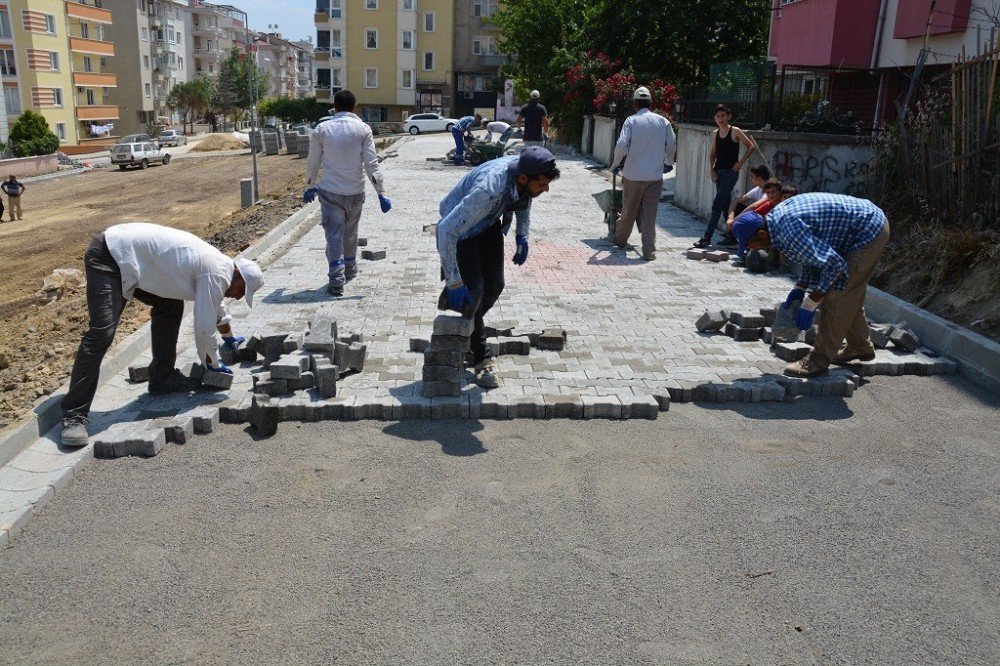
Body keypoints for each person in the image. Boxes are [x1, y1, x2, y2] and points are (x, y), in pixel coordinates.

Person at [59, 222, 264, 447]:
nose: (237, 297)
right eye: (242, 292)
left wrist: (229, 338)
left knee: (170, 305)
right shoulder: (216, 271)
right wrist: (212, 366)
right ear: (238, 276)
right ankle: (74, 415)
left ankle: (163, 377)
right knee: (102, 332)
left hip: (135, 260)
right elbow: (204, 329)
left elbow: (216, 307)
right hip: (110, 256)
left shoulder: (220, 267)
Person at [437, 146, 559, 388]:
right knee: (476, 290)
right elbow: (445, 230)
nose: (546, 188)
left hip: (488, 220)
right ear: (523, 178)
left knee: (494, 285)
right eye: (543, 184)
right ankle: (480, 357)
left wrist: (521, 235)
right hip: (461, 226)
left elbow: (525, 200)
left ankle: (468, 321)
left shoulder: (525, 170)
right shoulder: (488, 191)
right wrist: (453, 281)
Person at [732, 193, 890, 378]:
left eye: (751, 245)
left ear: (761, 233)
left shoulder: (789, 232)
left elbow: (835, 265)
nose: (753, 249)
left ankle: (818, 361)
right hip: (858, 225)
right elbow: (812, 256)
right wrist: (800, 287)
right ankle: (860, 347)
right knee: (848, 295)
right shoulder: (776, 224)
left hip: (868, 231)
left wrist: (811, 302)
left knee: (836, 297)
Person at [304, 89, 390, 296]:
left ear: (334, 107)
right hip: (355, 192)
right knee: (350, 233)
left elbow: (313, 162)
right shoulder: (363, 130)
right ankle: (350, 269)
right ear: (354, 107)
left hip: (330, 192)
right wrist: (381, 192)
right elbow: (371, 164)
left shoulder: (322, 129)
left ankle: (336, 281)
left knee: (334, 236)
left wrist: (309, 186)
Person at [609, 86, 677, 261]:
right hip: (654, 177)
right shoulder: (663, 121)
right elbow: (671, 144)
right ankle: (649, 251)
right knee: (649, 215)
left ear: (634, 104)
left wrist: (616, 164)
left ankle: (620, 240)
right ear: (650, 103)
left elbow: (622, 145)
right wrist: (668, 163)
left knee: (628, 211)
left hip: (632, 175)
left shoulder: (631, 121)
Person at [694, 105, 759, 248]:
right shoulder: (715, 133)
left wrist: (740, 163)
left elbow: (751, 146)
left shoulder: (735, 131)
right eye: (718, 116)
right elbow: (712, 154)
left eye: (723, 116)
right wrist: (711, 171)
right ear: (714, 118)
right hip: (719, 173)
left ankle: (707, 237)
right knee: (724, 206)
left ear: (728, 116)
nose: (720, 119)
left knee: (717, 204)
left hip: (731, 173)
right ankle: (732, 237)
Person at [725, 163, 773, 232]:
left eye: (752, 176)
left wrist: (736, 218)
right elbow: (735, 201)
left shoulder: (770, 190)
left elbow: (755, 205)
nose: (750, 179)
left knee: (750, 211)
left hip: (766, 221)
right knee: (736, 206)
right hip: (758, 217)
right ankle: (732, 234)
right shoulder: (758, 189)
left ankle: (734, 236)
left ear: (759, 178)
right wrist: (730, 218)